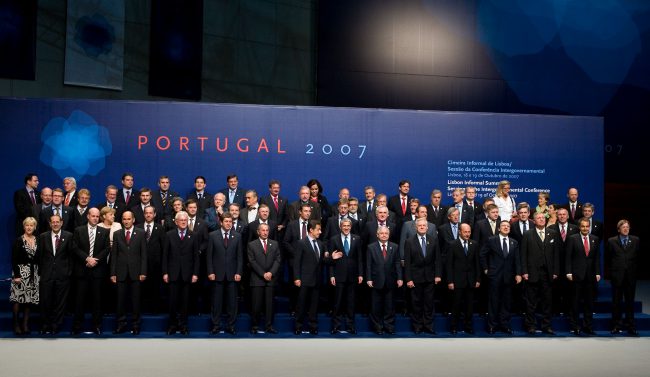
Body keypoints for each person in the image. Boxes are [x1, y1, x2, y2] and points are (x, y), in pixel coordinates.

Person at [71, 207, 111, 335]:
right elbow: (74, 247)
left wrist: (95, 260)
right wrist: (87, 258)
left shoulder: (104, 231)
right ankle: (77, 326)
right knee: (79, 300)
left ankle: (97, 326)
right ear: (88, 216)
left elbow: (106, 249)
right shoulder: (78, 230)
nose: (95, 218)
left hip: (98, 271)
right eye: (92, 216)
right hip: (82, 270)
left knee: (97, 301)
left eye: (97, 216)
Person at [480, 220, 522, 334]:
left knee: (507, 302)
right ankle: (492, 325)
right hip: (495, 276)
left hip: (509, 277)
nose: (506, 227)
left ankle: (505, 325)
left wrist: (518, 274)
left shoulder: (514, 242)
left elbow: (517, 260)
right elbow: (482, 255)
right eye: (503, 226)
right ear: (499, 228)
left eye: (508, 226)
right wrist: (486, 268)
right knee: (493, 301)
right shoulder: (491, 240)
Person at [520, 212, 559, 335]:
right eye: (539, 218)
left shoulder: (552, 233)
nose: (542, 219)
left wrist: (555, 271)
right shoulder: (527, 234)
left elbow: (556, 255)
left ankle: (546, 326)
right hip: (532, 273)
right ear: (534, 221)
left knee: (547, 301)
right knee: (531, 302)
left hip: (548, 274)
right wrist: (524, 271)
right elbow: (523, 255)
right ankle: (530, 326)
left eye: (543, 218)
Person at [162, 211, 199, 335]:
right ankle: (172, 325)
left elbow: (196, 257)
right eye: (181, 220)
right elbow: (165, 255)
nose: (183, 222)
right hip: (172, 274)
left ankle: (183, 325)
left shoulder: (193, 235)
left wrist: (195, 273)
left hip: (187, 275)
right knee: (172, 302)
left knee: (185, 303)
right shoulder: (169, 235)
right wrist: (165, 272)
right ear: (176, 222)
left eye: (185, 220)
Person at [110, 211, 147, 335]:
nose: (126, 221)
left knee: (136, 301)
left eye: (128, 219)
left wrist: (143, 272)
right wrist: (113, 273)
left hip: (136, 273)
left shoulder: (141, 233)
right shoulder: (117, 234)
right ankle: (121, 324)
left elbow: (144, 255)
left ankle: (136, 325)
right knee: (120, 301)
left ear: (133, 219)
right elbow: (114, 255)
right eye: (124, 219)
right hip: (120, 273)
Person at [403, 218, 442, 334]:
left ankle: (429, 326)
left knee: (429, 303)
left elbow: (438, 260)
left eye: (424, 225)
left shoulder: (433, 240)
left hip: (430, 277)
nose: (422, 227)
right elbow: (408, 263)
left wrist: (438, 275)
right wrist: (408, 279)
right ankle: (418, 326)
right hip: (415, 278)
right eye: (419, 225)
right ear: (416, 227)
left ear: (427, 227)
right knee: (416, 303)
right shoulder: (409, 241)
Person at [37, 214, 74, 335]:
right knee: (45, 302)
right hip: (46, 275)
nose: (55, 224)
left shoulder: (69, 236)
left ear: (61, 223)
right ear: (50, 223)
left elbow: (71, 256)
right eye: (53, 222)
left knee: (60, 302)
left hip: (63, 275)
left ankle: (55, 326)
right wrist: (41, 273)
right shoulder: (43, 237)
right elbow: (40, 256)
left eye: (57, 222)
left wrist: (68, 272)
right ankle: (45, 324)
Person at [207, 213, 243, 335]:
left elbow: (240, 257)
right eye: (226, 221)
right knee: (216, 303)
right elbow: (209, 257)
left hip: (232, 275)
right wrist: (210, 272)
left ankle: (231, 326)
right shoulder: (212, 235)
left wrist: (239, 272)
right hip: (217, 275)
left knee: (232, 303)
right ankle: (216, 325)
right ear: (221, 222)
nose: (228, 224)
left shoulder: (237, 236)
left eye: (230, 222)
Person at [327, 218, 363, 335]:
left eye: (348, 225)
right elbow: (331, 259)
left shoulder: (357, 239)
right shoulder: (334, 239)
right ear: (340, 227)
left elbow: (359, 258)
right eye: (344, 225)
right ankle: (336, 326)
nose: (346, 227)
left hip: (353, 276)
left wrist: (360, 274)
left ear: (351, 227)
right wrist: (331, 275)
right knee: (337, 302)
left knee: (351, 303)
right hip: (338, 275)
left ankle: (350, 326)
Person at [566, 217, 600, 336]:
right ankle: (575, 326)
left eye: (587, 226)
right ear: (579, 227)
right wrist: (568, 272)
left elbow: (596, 258)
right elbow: (568, 257)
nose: (585, 228)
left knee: (589, 303)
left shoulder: (595, 239)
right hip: (576, 275)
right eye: (583, 226)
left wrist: (597, 272)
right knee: (575, 302)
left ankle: (588, 326)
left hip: (590, 276)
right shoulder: (572, 239)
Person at [366, 226, 403, 335]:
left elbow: (397, 264)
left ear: (389, 234)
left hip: (391, 280)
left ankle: (389, 326)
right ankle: (378, 327)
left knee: (389, 306)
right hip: (376, 280)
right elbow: (368, 265)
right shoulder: (371, 247)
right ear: (377, 235)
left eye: (386, 233)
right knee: (376, 306)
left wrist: (400, 278)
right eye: (381, 233)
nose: (384, 235)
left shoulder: (395, 247)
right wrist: (368, 278)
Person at [607, 219, 640, 336]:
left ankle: (631, 326)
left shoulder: (636, 240)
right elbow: (609, 259)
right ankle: (616, 325)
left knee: (630, 302)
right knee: (616, 302)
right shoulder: (612, 241)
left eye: (627, 227)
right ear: (618, 229)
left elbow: (637, 257)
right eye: (623, 227)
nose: (626, 229)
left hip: (631, 277)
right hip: (617, 277)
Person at [446, 223, 480, 334]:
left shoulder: (474, 244)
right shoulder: (452, 245)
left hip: (470, 281)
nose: (467, 234)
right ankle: (453, 327)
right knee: (456, 305)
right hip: (457, 281)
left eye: (469, 232)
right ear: (460, 232)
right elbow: (449, 264)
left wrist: (478, 279)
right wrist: (450, 281)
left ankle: (468, 326)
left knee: (469, 306)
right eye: (465, 232)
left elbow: (477, 264)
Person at [293, 220, 326, 335]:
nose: (320, 232)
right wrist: (297, 278)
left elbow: (321, 261)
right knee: (301, 305)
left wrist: (332, 257)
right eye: (318, 229)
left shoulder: (321, 244)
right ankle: (298, 326)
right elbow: (296, 262)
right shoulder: (301, 243)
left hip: (316, 280)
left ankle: (313, 326)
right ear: (311, 230)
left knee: (314, 305)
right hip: (304, 280)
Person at [247, 223, 281, 334]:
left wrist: (271, 272)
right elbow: (252, 262)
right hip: (257, 279)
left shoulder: (275, 244)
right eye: (263, 230)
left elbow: (277, 260)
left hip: (271, 279)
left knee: (270, 306)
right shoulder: (251, 245)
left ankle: (269, 326)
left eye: (267, 230)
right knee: (256, 305)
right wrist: (263, 274)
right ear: (258, 232)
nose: (265, 232)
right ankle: (255, 326)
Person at [10, 217, 40, 335]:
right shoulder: (19, 240)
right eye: (27, 225)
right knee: (17, 300)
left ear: (34, 227)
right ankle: (16, 324)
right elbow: (14, 259)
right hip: (21, 273)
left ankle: (25, 324)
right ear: (24, 227)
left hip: (33, 273)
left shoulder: (38, 240)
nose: (29, 227)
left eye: (31, 225)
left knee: (29, 300)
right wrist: (17, 275)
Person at [140, 205, 166, 313]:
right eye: (146, 213)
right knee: (141, 289)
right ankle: (142, 309)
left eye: (151, 213)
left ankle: (155, 309)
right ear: (144, 214)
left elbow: (164, 247)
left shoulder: (160, 228)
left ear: (154, 214)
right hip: (140, 264)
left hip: (156, 264)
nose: (148, 215)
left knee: (155, 288)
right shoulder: (138, 227)